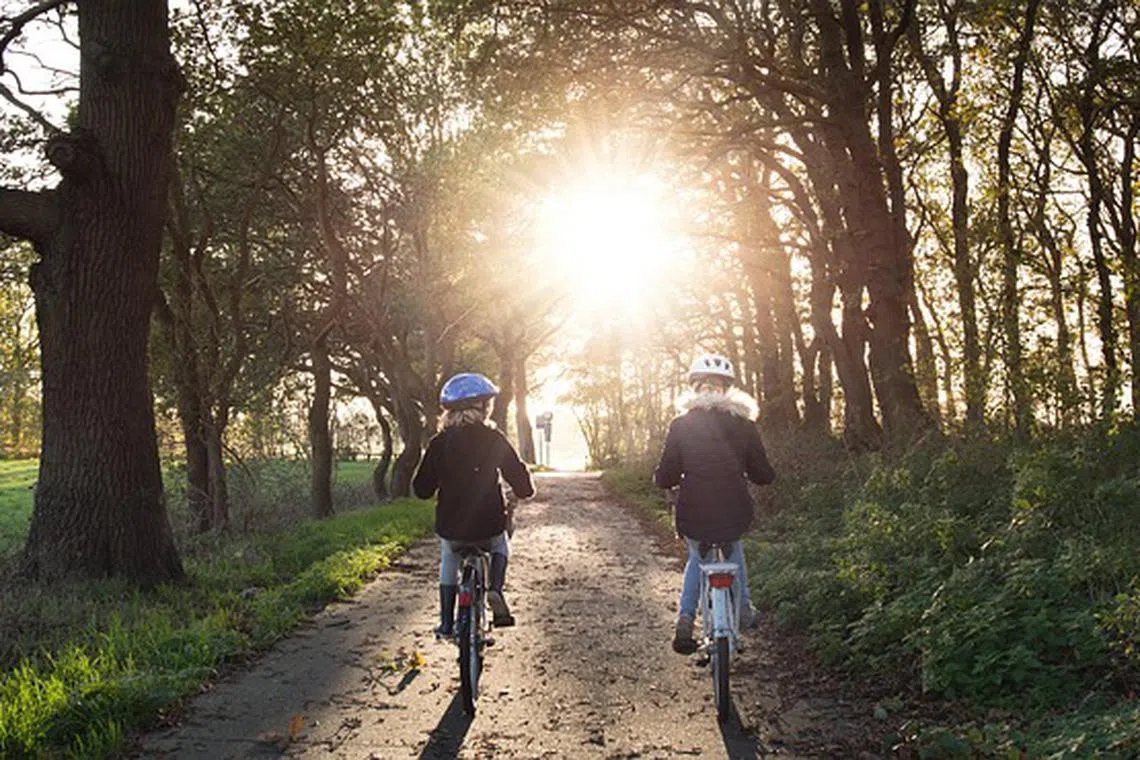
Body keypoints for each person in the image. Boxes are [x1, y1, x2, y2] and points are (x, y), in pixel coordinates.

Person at [653, 353, 775, 655]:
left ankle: (685, 619)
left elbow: (666, 474)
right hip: (734, 508)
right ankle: (743, 608)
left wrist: (665, 481)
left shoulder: (681, 425)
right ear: (727, 389)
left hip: (693, 510)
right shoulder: (744, 425)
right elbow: (763, 474)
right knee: (734, 545)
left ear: (696, 388)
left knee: (697, 555)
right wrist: (759, 474)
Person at [413, 372, 535, 637]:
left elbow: (421, 489)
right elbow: (520, 481)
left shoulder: (439, 444)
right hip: (489, 524)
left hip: (451, 526)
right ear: (484, 407)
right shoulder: (494, 439)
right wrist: (524, 489)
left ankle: (446, 622)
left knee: (449, 556)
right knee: (501, 543)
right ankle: (496, 589)